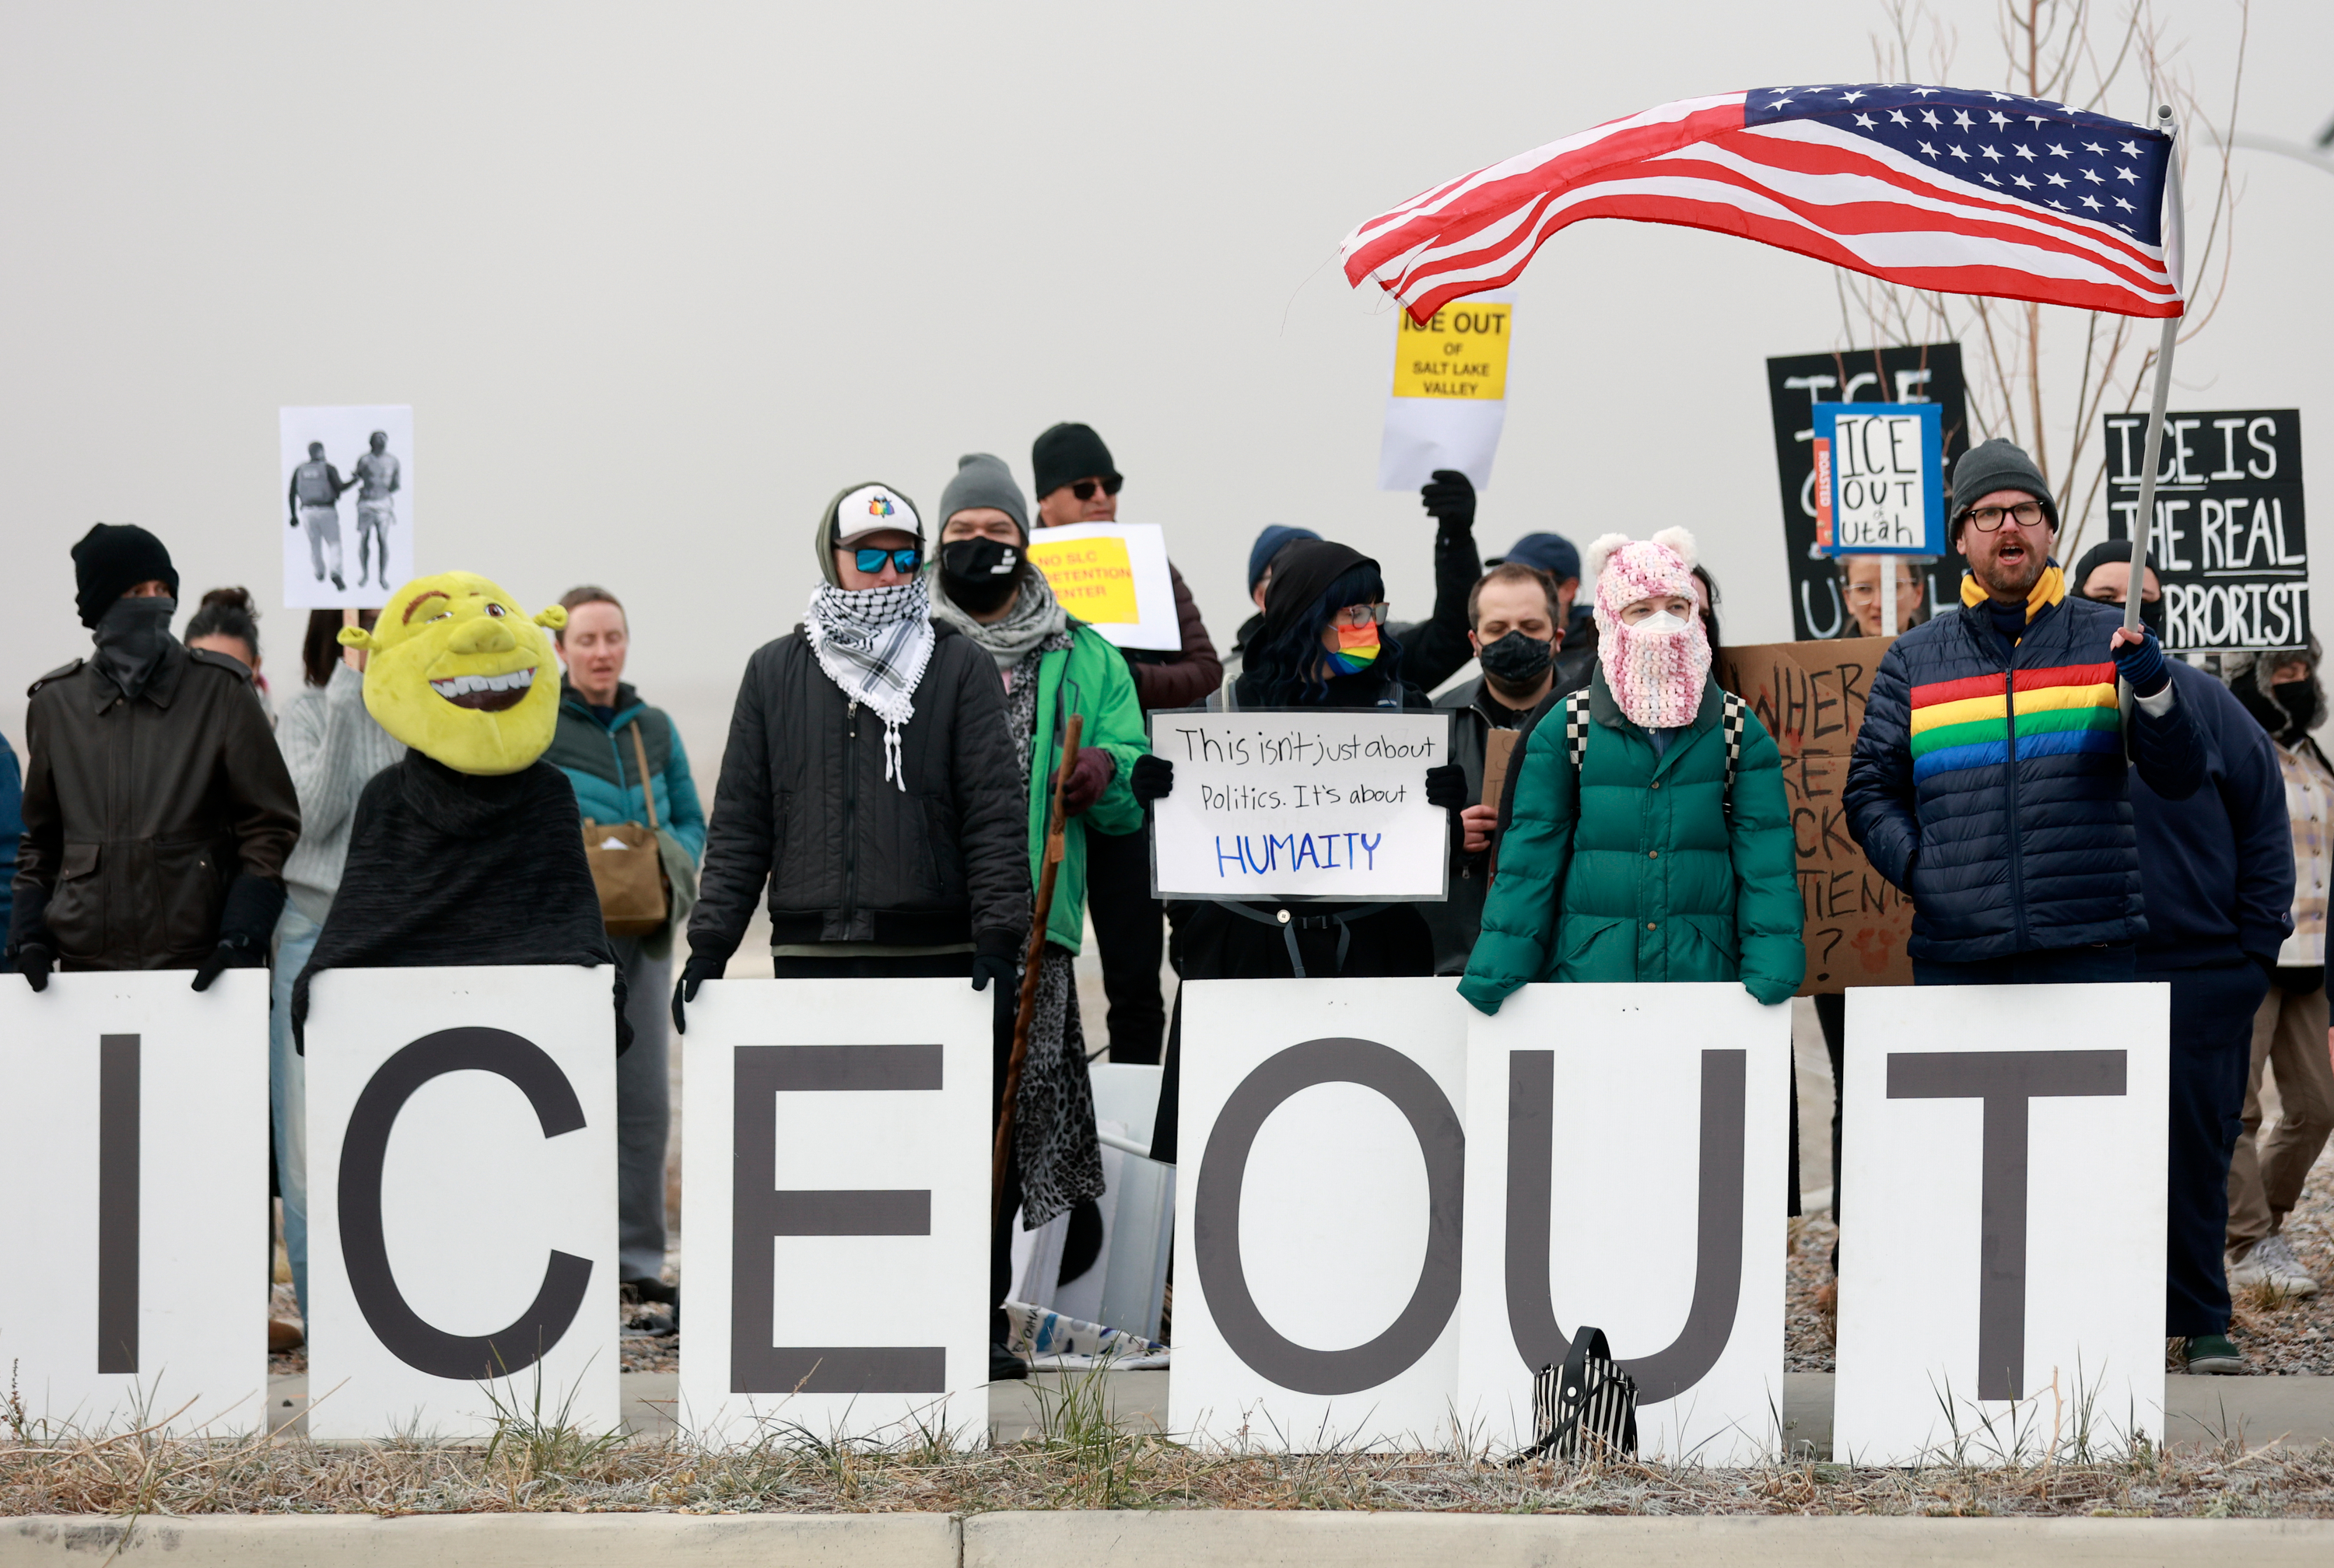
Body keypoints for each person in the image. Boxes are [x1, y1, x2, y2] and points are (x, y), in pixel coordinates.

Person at [927, 452, 1149, 1376]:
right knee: (934, 1121)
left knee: (1010, 1126)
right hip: (927, 927)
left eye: (998, 531)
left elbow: (1131, 792)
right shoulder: (905, 647)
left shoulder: (1083, 654)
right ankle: (917, 1308)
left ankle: (980, 1318)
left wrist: (1103, 770)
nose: (981, 545)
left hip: (1035, 926)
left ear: (1027, 540)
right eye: (962, 532)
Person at [1141, 538, 1467, 1161]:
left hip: (1371, 963)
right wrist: (1158, 803)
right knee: (1232, 1158)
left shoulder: (1406, 712)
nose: (1368, 624)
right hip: (1245, 964)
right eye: (1351, 611)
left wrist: (1444, 815)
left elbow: (1432, 870)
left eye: (1374, 608)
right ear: (1304, 618)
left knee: (1366, 1153)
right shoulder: (1220, 714)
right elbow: (1187, 856)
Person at [1843, 438, 2205, 985]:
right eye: (1987, 514)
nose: (2009, 525)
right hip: (1958, 956)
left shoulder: (2110, 640)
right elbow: (1869, 792)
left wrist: (2155, 685)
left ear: (2049, 528)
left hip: (2089, 949)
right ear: (1961, 538)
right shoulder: (1914, 659)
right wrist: (1922, 871)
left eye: (2026, 510)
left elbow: (2180, 778)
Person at [2072, 541, 2290, 1374]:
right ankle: (2101, 1316)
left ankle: (2201, 1319)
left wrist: (2254, 954)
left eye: (2145, 598)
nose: (2127, 611)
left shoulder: (2207, 702)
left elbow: (2265, 825)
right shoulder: (2056, 702)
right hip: (2085, 963)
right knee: (2091, 1152)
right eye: (2105, 596)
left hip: (2200, 973)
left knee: (2197, 1154)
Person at [1459, 529, 1803, 1013]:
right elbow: (1529, 861)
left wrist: (1771, 971)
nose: (1662, 622)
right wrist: (1496, 971)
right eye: (1640, 609)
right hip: (1590, 979)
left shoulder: (1737, 729)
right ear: (1610, 619)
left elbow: (1766, 864)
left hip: (1703, 980)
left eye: (1676, 607)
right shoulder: (1568, 726)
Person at [293, 572, 627, 1052]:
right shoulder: (387, 796)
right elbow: (359, 927)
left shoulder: (547, 792)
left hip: (512, 1028)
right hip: (444, 1028)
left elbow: (573, 925)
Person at [9, 525, 299, 990]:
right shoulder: (55, 706)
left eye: (162, 590)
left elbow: (269, 824)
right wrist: (29, 938)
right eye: (135, 592)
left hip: (203, 967)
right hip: (85, 972)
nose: (153, 602)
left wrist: (243, 936)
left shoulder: (221, 691)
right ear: (100, 605)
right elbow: (41, 842)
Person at [1029, 423, 1217, 1066]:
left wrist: (1121, 675)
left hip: (1124, 793)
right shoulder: (1014, 570)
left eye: (1110, 484)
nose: (1102, 497)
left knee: (1136, 979)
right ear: (1045, 500)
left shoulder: (1149, 566)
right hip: (1035, 796)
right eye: (1084, 487)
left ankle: (1136, 1108)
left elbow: (1206, 671)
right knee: (1025, 966)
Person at [545, 585, 705, 1311]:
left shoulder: (656, 729)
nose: (602, 652)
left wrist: (668, 862)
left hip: (646, 934)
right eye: (587, 640)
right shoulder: (540, 725)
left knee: (643, 1104)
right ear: (561, 649)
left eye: (613, 637)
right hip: (567, 939)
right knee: (564, 1097)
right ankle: (566, 1253)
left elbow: (695, 820)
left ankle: (638, 1261)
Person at [268, 607, 402, 1335]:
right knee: (304, 1143)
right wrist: (347, 697)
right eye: (359, 627)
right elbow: (312, 819)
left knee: (391, 1129)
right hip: (312, 929)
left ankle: (388, 1318)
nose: (372, 640)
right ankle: (326, 1324)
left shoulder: (411, 715)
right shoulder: (304, 713)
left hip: (390, 934)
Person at [2221, 642, 2334, 1301]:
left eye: (2303, 669)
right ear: (2254, 679)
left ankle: (2262, 1225)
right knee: (2236, 1109)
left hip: (2315, 959)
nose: (2297, 680)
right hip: (2256, 951)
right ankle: (2248, 1242)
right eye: (2281, 670)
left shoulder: (2316, 758)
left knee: (2319, 1106)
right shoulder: (2241, 749)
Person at [1425, 562, 1585, 975]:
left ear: (1557, 638)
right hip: (1455, 963)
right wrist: (1445, 837)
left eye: (1530, 627)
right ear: (1475, 641)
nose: (1514, 638)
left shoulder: (1593, 722)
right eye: (1497, 629)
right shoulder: (1431, 725)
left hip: (1566, 965)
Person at [1222, 523, 1320, 689]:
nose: (1306, 587)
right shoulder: (1227, 680)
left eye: (1317, 575)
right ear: (1261, 596)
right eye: (1288, 577)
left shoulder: (1357, 662)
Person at [1497, 533, 1591, 690]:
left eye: (1528, 580)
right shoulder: (1497, 647)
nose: (1513, 589)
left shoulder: (1600, 662)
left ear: (1568, 590)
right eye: (1507, 577)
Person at [184, 586, 268, 709]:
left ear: (255, 667)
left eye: (231, 671)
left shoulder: (288, 719)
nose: (216, 684)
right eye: (204, 670)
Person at [288, 441, 353, 591]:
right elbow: (340, 487)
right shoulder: (328, 468)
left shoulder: (300, 469)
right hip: (327, 510)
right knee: (334, 543)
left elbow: (292, 492)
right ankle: (336, 573)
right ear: (322, 451)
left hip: (307, 511)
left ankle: (319, 573)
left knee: (314, 544)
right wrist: (355, 480)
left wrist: (293, 515)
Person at [351, 431, 402, 590]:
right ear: (371, 443)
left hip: (383, 503)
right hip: (366, 503)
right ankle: (365, 574)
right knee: (364, 538)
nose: (380, 443)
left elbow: (396, 484)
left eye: (382, 440)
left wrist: (381, 491)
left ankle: (382, 577)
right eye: (377, 440)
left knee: (382, 539)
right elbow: (357, 477)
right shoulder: (365, 460)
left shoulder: (393, 460)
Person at [1835, 555, 1930, 638]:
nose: (1879, 604)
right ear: (1848, 599)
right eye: (1864, 589)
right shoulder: (1832, 654)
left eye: (1893, 587)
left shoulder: (1937, 652)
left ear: (1917, 594)